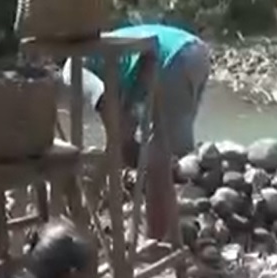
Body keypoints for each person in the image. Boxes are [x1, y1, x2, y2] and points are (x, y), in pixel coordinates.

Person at [84, 22, 211, 240]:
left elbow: (115, 124)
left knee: (157, 156)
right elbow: (125, 120)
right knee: (161, 151)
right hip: (193, 52)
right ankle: (165, 236)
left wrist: (95, 185)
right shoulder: (100, 60)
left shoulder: (77, 73)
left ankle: (155, 240)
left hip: (172, 59)